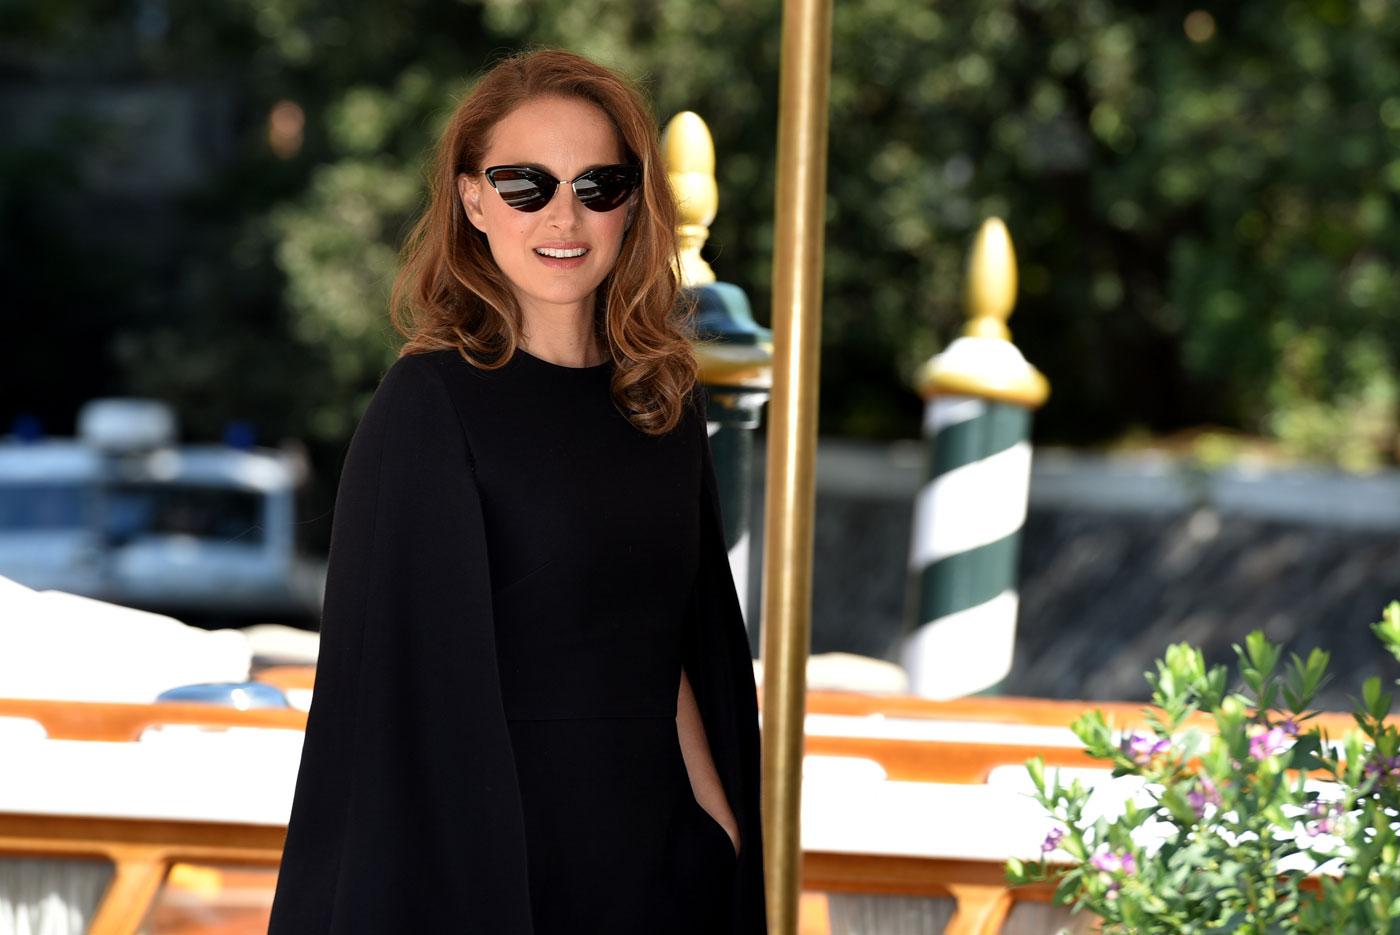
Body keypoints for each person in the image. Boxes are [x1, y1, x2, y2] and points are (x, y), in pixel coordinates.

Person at [266, 47, 767, 934]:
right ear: (473, 200)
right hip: (494, 875)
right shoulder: (427, 405)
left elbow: (673, 643)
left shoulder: (662, 399)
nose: (563, 216)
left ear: (632, 203)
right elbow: (388, 703)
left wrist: (718, 831)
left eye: (597, 185)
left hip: (660, 872)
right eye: (525, 184)